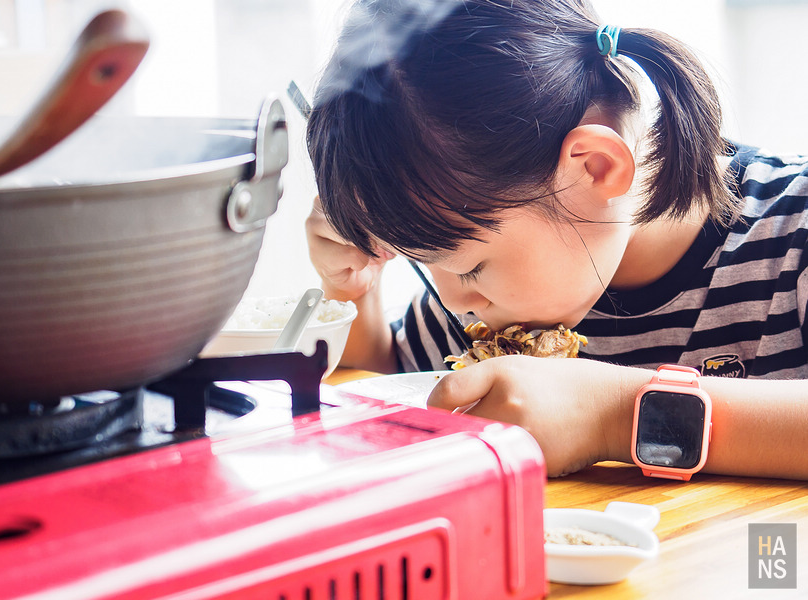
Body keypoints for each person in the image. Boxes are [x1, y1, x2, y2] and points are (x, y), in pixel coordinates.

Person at [304, 0, 808, 479]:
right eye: (426, 265)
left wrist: (613, 416)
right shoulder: (496, 300)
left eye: (469, 268)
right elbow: (393, 377)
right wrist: (352, 290)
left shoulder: (792, 233)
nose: (452, 300)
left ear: (595, 168)